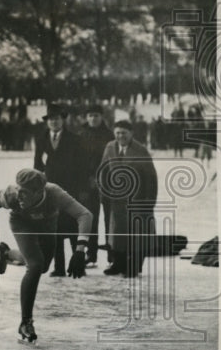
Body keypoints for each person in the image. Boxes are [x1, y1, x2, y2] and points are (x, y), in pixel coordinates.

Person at [0, 168, 93, 343]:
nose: (19, 196)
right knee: (35, 266)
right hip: (21, 224)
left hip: (48, 225)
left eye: (25, 193)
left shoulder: (54, 193)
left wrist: (80, 250)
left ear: (39, 192)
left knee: (42, 267)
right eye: (18, 190)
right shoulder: (11, 194)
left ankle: (6, 253)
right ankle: (25, 322)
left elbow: (85, 214)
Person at [98, 119, 158, 278]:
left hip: (137, 199)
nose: (120, 136)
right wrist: (104, 192)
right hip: (116, 199)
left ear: (131, 133)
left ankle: (134, 266)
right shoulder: (110, 147)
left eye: (124, 133)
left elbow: (151, 179)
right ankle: (118, 264)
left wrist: (149, 203)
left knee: (137, 234)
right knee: (117, 235)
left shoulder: (141, 150)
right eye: (117, 133)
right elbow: (103, 171)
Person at [33, 104, 87, 277]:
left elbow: (82, 167)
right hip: (49, 190)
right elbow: (37, 165)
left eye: (56, 119)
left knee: (72, 227)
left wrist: (81, 190)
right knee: (54, 227)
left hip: (70, 189)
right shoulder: (41, 139)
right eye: (51, 119)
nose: (54, 122)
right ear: (47, 122)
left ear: (62, 120)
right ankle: (59, 267)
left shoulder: (74, 139)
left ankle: (78, 264)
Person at [79, 105, 114, 267]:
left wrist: (102, 176)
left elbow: (112, 160)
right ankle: (90, 254)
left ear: (102, 117)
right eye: (91, 115)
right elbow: (77, 162)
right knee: (90, 219)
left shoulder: (109, 135)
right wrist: (86, 180)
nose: (93, 118)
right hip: (87, 184)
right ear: (87, 117)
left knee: (110, 219)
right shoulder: (80, 135)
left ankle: (112, 255)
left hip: (107, 182)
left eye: (96, 116)